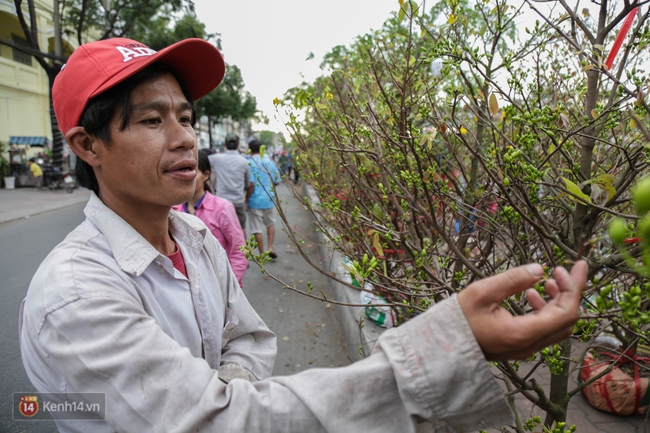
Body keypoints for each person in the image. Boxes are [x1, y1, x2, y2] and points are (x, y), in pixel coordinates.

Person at [19, 36, 589, 433]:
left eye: (186, 118)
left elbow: (248, 337)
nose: (184, 138)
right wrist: (451, 346)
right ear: (87, 146)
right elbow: (224, 425)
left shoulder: (192, 235)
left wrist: (225, 385)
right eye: (151, 120)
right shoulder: (77, 296)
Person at [172, 151, 248, 288]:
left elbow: (239, 250)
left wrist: (228, 288)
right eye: (180, 170)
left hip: (218, 286)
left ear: (206, 175)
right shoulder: (171, 210)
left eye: (190, 170)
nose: (185, 176)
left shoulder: (223, 209)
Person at [208, 133, 254, 239]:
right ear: (238, 145)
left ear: (225, 144)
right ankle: (244, 254)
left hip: (221, 201)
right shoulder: (244, 161)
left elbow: (200, 160)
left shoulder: (215, 159)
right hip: (238, 201)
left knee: (220, 230)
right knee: (241, 228)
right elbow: (248, 184)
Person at [246, 139, 282, 259]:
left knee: (256, 228)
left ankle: (262, 254)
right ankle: (270, 247)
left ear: (250, 149)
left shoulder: (249, 163)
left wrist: (246, 199)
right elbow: (277, 180)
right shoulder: (269, 162)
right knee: (270, 223)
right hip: (269, 199)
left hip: (254, 200)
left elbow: (250, 184)